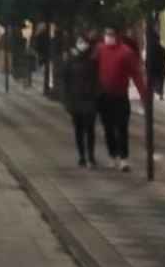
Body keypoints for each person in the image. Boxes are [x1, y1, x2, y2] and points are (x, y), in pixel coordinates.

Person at [94, 27, 149, 173]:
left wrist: (144, 96)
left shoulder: (126, 52)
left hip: (120, 96)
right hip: (104, 96)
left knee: (122, 127)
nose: (108, 37)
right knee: (108, 128)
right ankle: (113, 156)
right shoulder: (100, 50)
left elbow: (136, 75)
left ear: (117, 35)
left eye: (111, 34)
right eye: (107, 34)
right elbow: (91, 67)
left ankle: (124, 159)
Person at [63, 35, 100, 167]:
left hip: (89, 100)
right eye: (80, 42)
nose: (82, 44)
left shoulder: (93, 61)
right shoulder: (70, 61)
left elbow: (97, 80)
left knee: (90, 129)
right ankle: (82, 156)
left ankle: (91, 156)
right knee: (78, 130)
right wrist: (67, 102)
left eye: (84, 42)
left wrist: (96, 97)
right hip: (75, 100)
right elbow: (66, 82)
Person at [146, 29, 165, 102]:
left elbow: (148, 60)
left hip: (156, 68)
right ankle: (160, 93)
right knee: (159, 80)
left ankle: (159, 93)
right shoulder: (160, 50)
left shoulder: (152, 50)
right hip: (159, 68)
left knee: (157, 80)